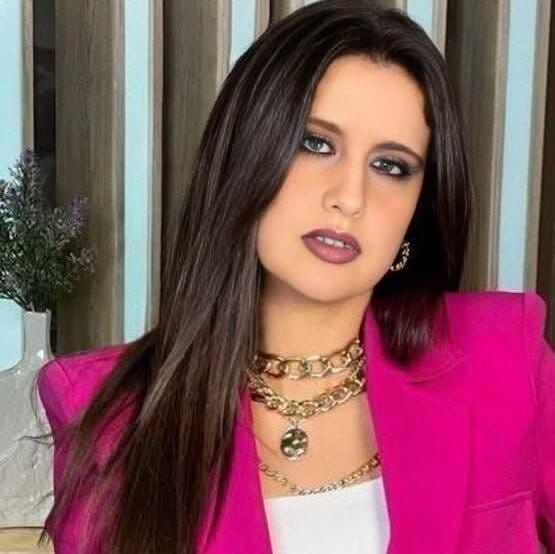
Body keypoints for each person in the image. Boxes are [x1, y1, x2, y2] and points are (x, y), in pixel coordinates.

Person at [35, 1, 554, 553]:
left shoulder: (504, 359)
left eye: (390, 166)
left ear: (417, 211)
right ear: (245, 155)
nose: (349, 197)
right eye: (316, 143)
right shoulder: (109, 412)